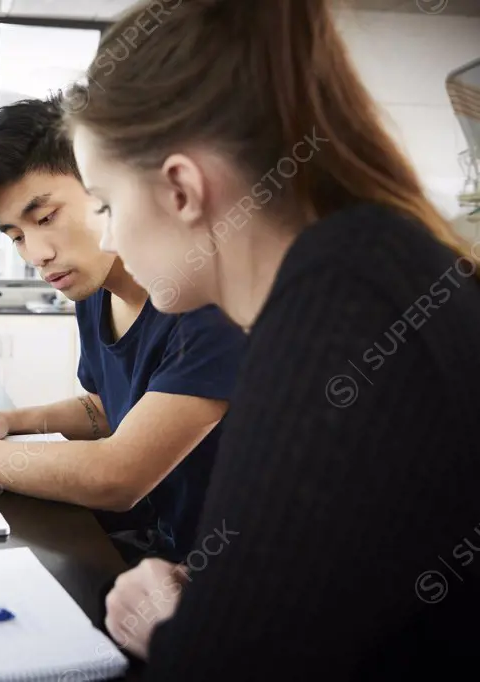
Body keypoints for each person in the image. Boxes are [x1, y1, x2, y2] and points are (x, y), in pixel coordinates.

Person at [65, 0, 480, 677]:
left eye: (106, 204)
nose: (106, 237)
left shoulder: (338, 301)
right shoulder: (370, 264)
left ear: (180, 189)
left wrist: (167, 624)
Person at [0, 96, 247, 564]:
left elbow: (118, 476)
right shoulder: (95, 293)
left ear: (107, 185)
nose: (37, 255)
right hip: (155, 549)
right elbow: (109, 409)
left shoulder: (210, 302)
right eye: (17, 237)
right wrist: (12, 421)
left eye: (46, 218)